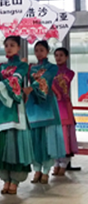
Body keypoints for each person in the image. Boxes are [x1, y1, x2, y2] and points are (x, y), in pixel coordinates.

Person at [0, 36, 33, 195]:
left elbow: (17, 80)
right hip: (1, 109)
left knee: (15, 144)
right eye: (6, 45)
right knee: (2, 145)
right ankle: (5, 178)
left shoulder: (22, 65)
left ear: (19, 47)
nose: (8, 48)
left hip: (16, 109)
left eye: (12, 45)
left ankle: (15, 180)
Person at [24, 40, 65, 184]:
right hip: (34, 105)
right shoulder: (30, 67)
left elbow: (45, 79)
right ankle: (36, 170)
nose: (39, 53)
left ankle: (46, 171)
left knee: (48, 140)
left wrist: (32, 87)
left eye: (41, 50)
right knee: (34, 140)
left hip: (47, 105)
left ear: (47, 51)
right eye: (36, 50)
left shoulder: (52, 68)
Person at [52, 47, 78, 176]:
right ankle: (56, 163)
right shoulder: (51, 71)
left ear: (66, 57)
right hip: (53, 107)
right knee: (55, 135)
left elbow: (61, 86)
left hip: (64, 107)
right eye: (56, 55)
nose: (58, 57)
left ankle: (63, 163)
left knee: (65, 136)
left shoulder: (69, 73)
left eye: (61, 55)